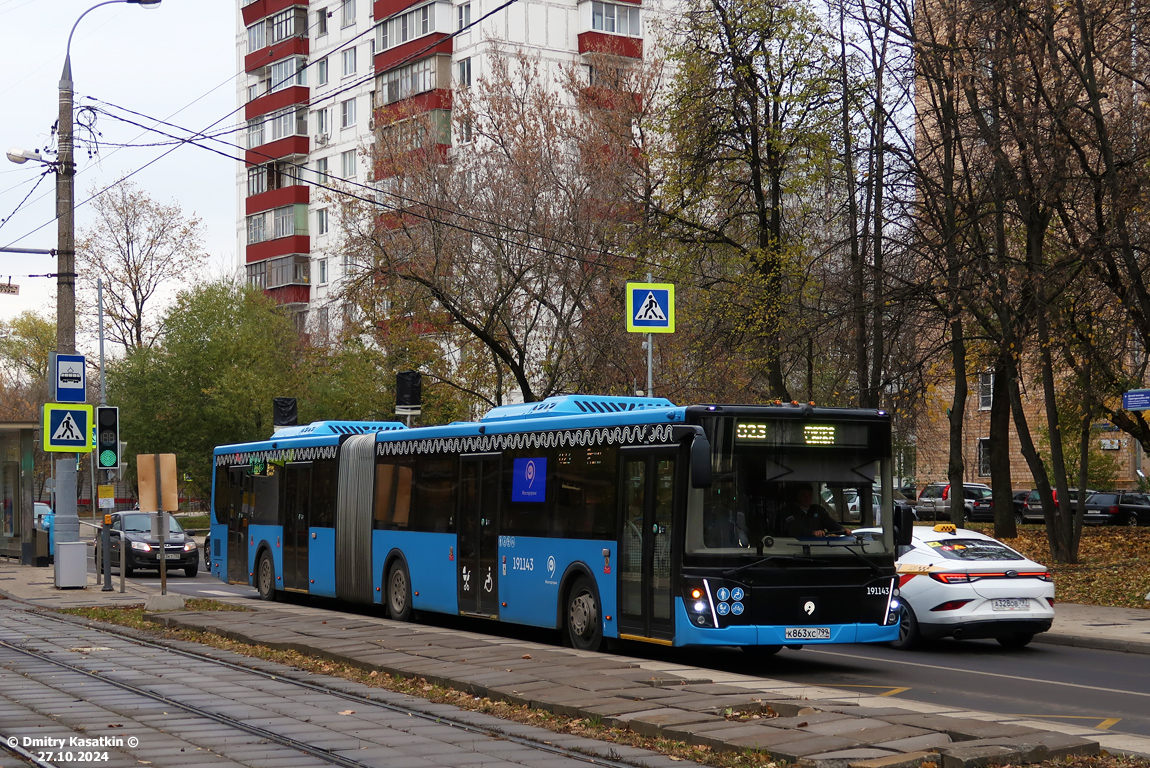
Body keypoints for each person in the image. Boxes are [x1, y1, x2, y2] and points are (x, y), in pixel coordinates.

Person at [782, 483, 847, 537]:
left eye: (810, 495)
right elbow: (793, 528)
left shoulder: (818, 510)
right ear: (797, 496)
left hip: (819, 545)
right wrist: (812, 533)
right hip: (796, 545)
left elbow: (830, 523)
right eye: (803, 495)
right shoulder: (790, 511)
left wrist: (842, 530)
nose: (807, 498)